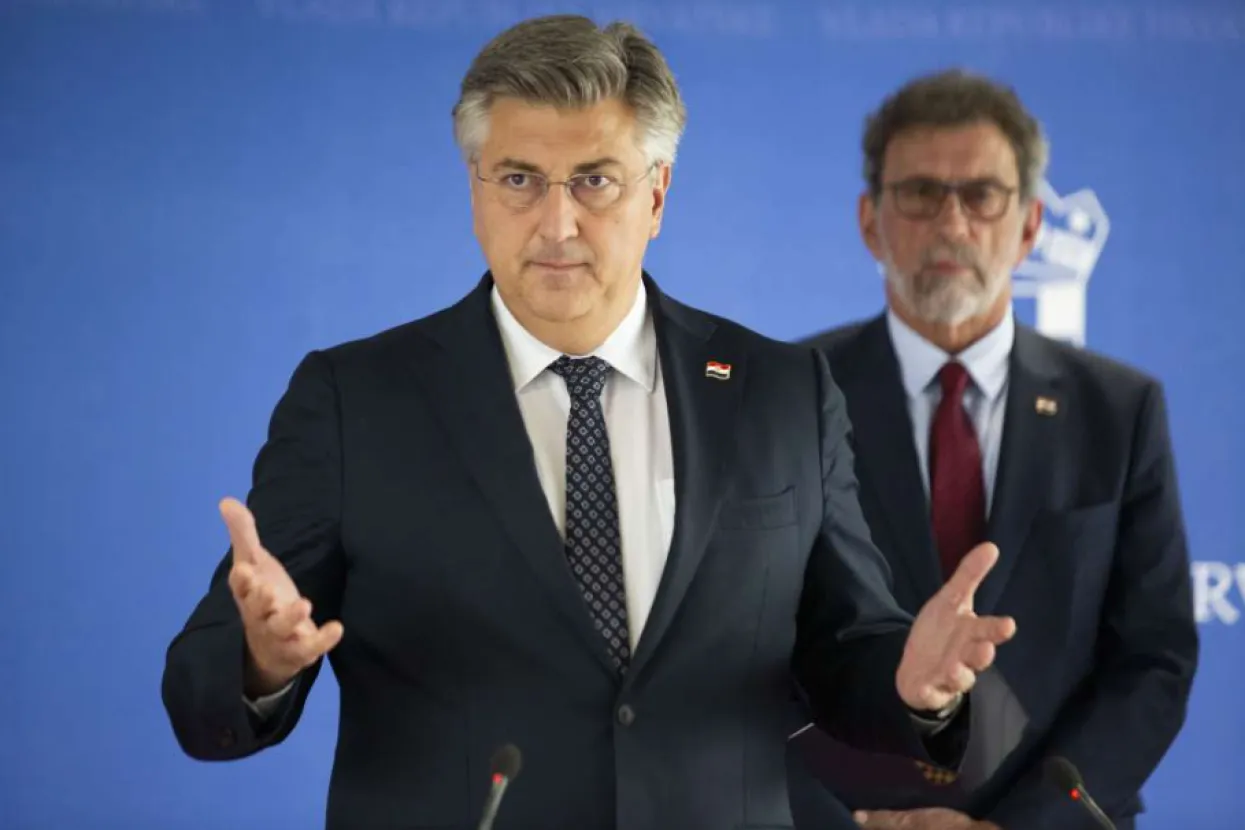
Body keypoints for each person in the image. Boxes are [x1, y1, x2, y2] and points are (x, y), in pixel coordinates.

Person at [160, 20, 1017, 830]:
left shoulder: (781, 392)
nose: (556, 222)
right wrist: (259, 661)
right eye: (518, 179)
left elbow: (844, 648)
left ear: (657, 194)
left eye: (594, 181)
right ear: (474, 189)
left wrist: (916, 685)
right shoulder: (354, 401)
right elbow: (201, 697)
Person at [787, 69, 1199, 830]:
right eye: (920, 193)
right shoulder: (782, 395)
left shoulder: (1119, 410)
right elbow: (740, 650)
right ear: (870, 222)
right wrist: (851, 823)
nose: (952, 223)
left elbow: (1153, 658)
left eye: (981, 195)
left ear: (1030, 225)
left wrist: (1018, 825)